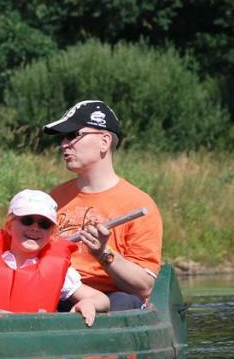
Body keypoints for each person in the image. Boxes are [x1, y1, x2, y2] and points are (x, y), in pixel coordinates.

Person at [43, 100, 163, 311]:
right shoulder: (53, 199)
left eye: (73, 135)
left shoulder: (139, 204)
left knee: (124, 302)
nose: (64, 144)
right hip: (59, 292)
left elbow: (143, 287)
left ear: (104, 141)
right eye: (63, 137)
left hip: (114, 299)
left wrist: (103, 254)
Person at [0, 189, 111, 326]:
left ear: (52, 233)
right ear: (9, 226)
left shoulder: (56, 269)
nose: (35, 228)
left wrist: (88, 302)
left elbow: (102, 299)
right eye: (27, 220)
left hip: (28, 339)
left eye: (44, 224)